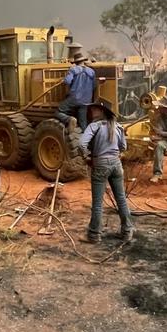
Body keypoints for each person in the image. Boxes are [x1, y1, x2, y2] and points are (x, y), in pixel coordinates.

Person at [78, 100, 134, 242]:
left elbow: (81, 144)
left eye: (95, 109)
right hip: (116, 164)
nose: (91, 111)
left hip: (101, 163)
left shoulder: (94, 126)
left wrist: (87, 157)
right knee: (121, 199)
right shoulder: (118, 126)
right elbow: (123, 147)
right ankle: (127, 231)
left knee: (97, 203)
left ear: (102, 112)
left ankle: (94, 234)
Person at [55, 52, 96, 129]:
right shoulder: (92, 71)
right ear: (83, 61)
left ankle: (69, 119)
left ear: (75, 62)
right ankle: (85, 137)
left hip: (75, 99)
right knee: (83, 121)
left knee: (58, 111)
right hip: (87, 100)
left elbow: (67, 81)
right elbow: (94, 86)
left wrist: (62, 80)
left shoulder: (73, 69)